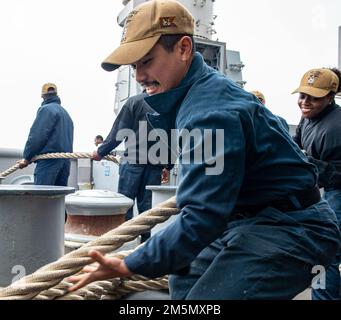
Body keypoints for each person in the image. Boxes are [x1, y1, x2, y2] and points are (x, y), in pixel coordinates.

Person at [68, 0, 340, 299]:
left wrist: (130, 263)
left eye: (146, 60)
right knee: (182, 284)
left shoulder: (209, 112)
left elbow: (202, 215)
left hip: (292, 227)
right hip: (247, 219)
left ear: (184, 49)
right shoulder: (196, 94)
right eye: (134, 66)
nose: (139, 76)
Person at [92, 93, 169, 243]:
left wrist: (101, 151)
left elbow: (119, 131)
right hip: (155, 166)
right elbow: (171, 133)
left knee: (124, 207)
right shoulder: (167, 102)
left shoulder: (134, 102)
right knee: (148, 212)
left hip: (133, 163)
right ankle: (146, 247)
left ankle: (124, 245)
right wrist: (167, 164)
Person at [292, 67, 341, 300]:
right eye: (303, 95)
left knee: (326, 252)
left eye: (314, 97)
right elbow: (296, 142)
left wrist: (309, 165)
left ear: (330, 97)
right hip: (322, 189)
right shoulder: (307, 117)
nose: (305, 102)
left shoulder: (338, 127)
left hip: (337, 191)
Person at [18, 83, 74, 187]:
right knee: (58, 199)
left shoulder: (46, 109)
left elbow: (37, 136)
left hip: (49, 162)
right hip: (65, 163)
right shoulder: (66, 115)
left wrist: (27, 157)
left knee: (42, 198)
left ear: (42, 96)